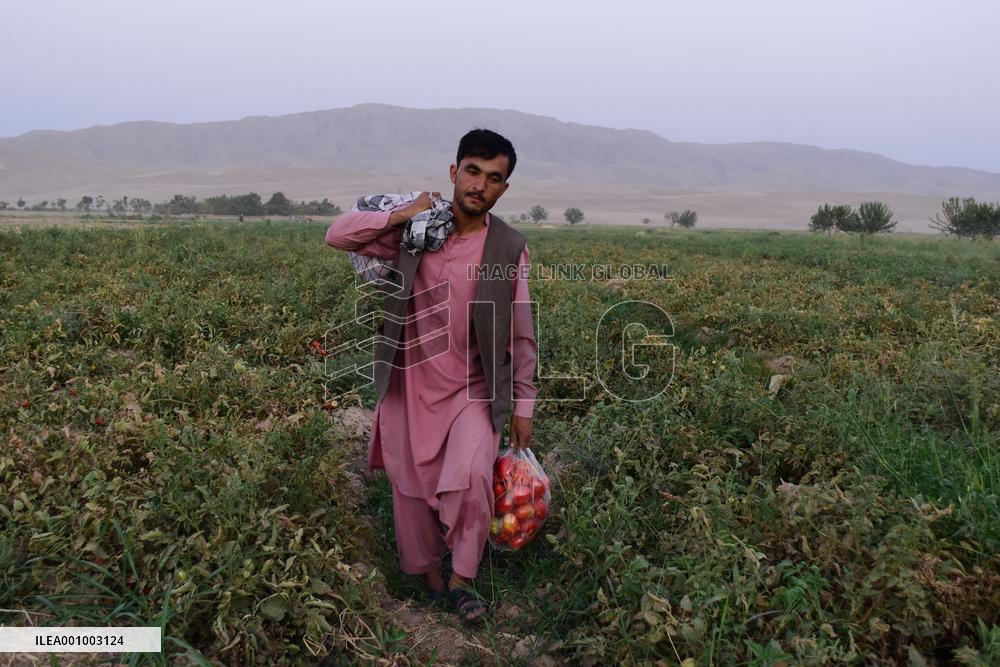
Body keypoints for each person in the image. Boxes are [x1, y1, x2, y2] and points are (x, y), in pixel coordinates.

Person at [325, 129, 538, 622]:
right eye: (472, 171)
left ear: (504, 189)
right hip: (408, 383)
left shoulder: (508, 249)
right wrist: (404, 213)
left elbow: (521, 333)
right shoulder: (415, 234)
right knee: (409, 485)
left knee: (469, 477)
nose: (480, 185)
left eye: (494, 178)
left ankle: (463, 580)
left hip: (472, 389)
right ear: (453, 172)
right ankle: (428, 578)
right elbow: (338, 235)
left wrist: (523, 403)